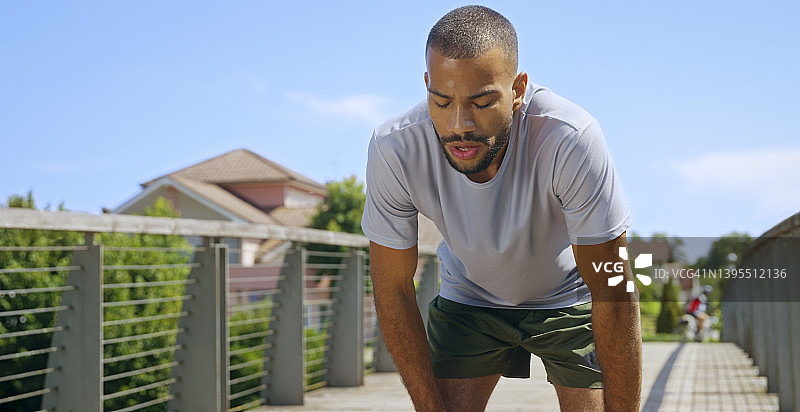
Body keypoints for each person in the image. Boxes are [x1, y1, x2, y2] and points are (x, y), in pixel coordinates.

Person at [361, 5, 642, 411]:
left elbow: (613, 288)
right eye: (441, 101)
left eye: (481, 102)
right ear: (427, 85)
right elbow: (392, 288)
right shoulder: (395, 148)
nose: (460, 125)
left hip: (566, 295)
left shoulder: (570, 138)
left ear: (518, 89)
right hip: (470, 298)